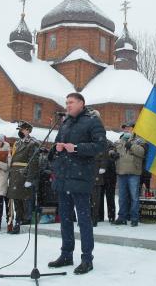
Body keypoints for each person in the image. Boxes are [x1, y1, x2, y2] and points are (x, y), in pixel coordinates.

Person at [47, 93, 106, 275]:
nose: (68, 105)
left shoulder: (92, 121)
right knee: (65, 219)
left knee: (83, 220)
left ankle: (87, 258)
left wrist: (78, 148)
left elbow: (101, 146)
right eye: (66, 102)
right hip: (63, 177)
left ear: (81, 103)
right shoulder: (64, 123)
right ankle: (66, 254)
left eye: (71, 102)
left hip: (80, 177)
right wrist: (56, 148)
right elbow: (57, 143)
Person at [7, 121, 39, 234]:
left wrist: (30, 179)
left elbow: (34, 162)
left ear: (28, 130)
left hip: (24, 174)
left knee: (25, 200)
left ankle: (25, 221)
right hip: (15, 174)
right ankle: (17, 221)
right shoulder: (17, 143)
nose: (20, 132)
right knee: (16, 200)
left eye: (22, 130)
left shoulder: (32, 143)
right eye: (19, 130)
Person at [112, 121, 146, 227]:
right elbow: (112, 151)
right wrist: (112, 154)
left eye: (128, 128)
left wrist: (131, 145)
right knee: (122, 197)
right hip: (121, 171)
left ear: (134, 129)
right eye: (125, 128)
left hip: (133, 172)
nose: (126, 130)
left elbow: (142, 152)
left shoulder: (140, 140)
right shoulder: (118, 141)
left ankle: (134, 218)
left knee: (134, 197)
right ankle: (122, 217)